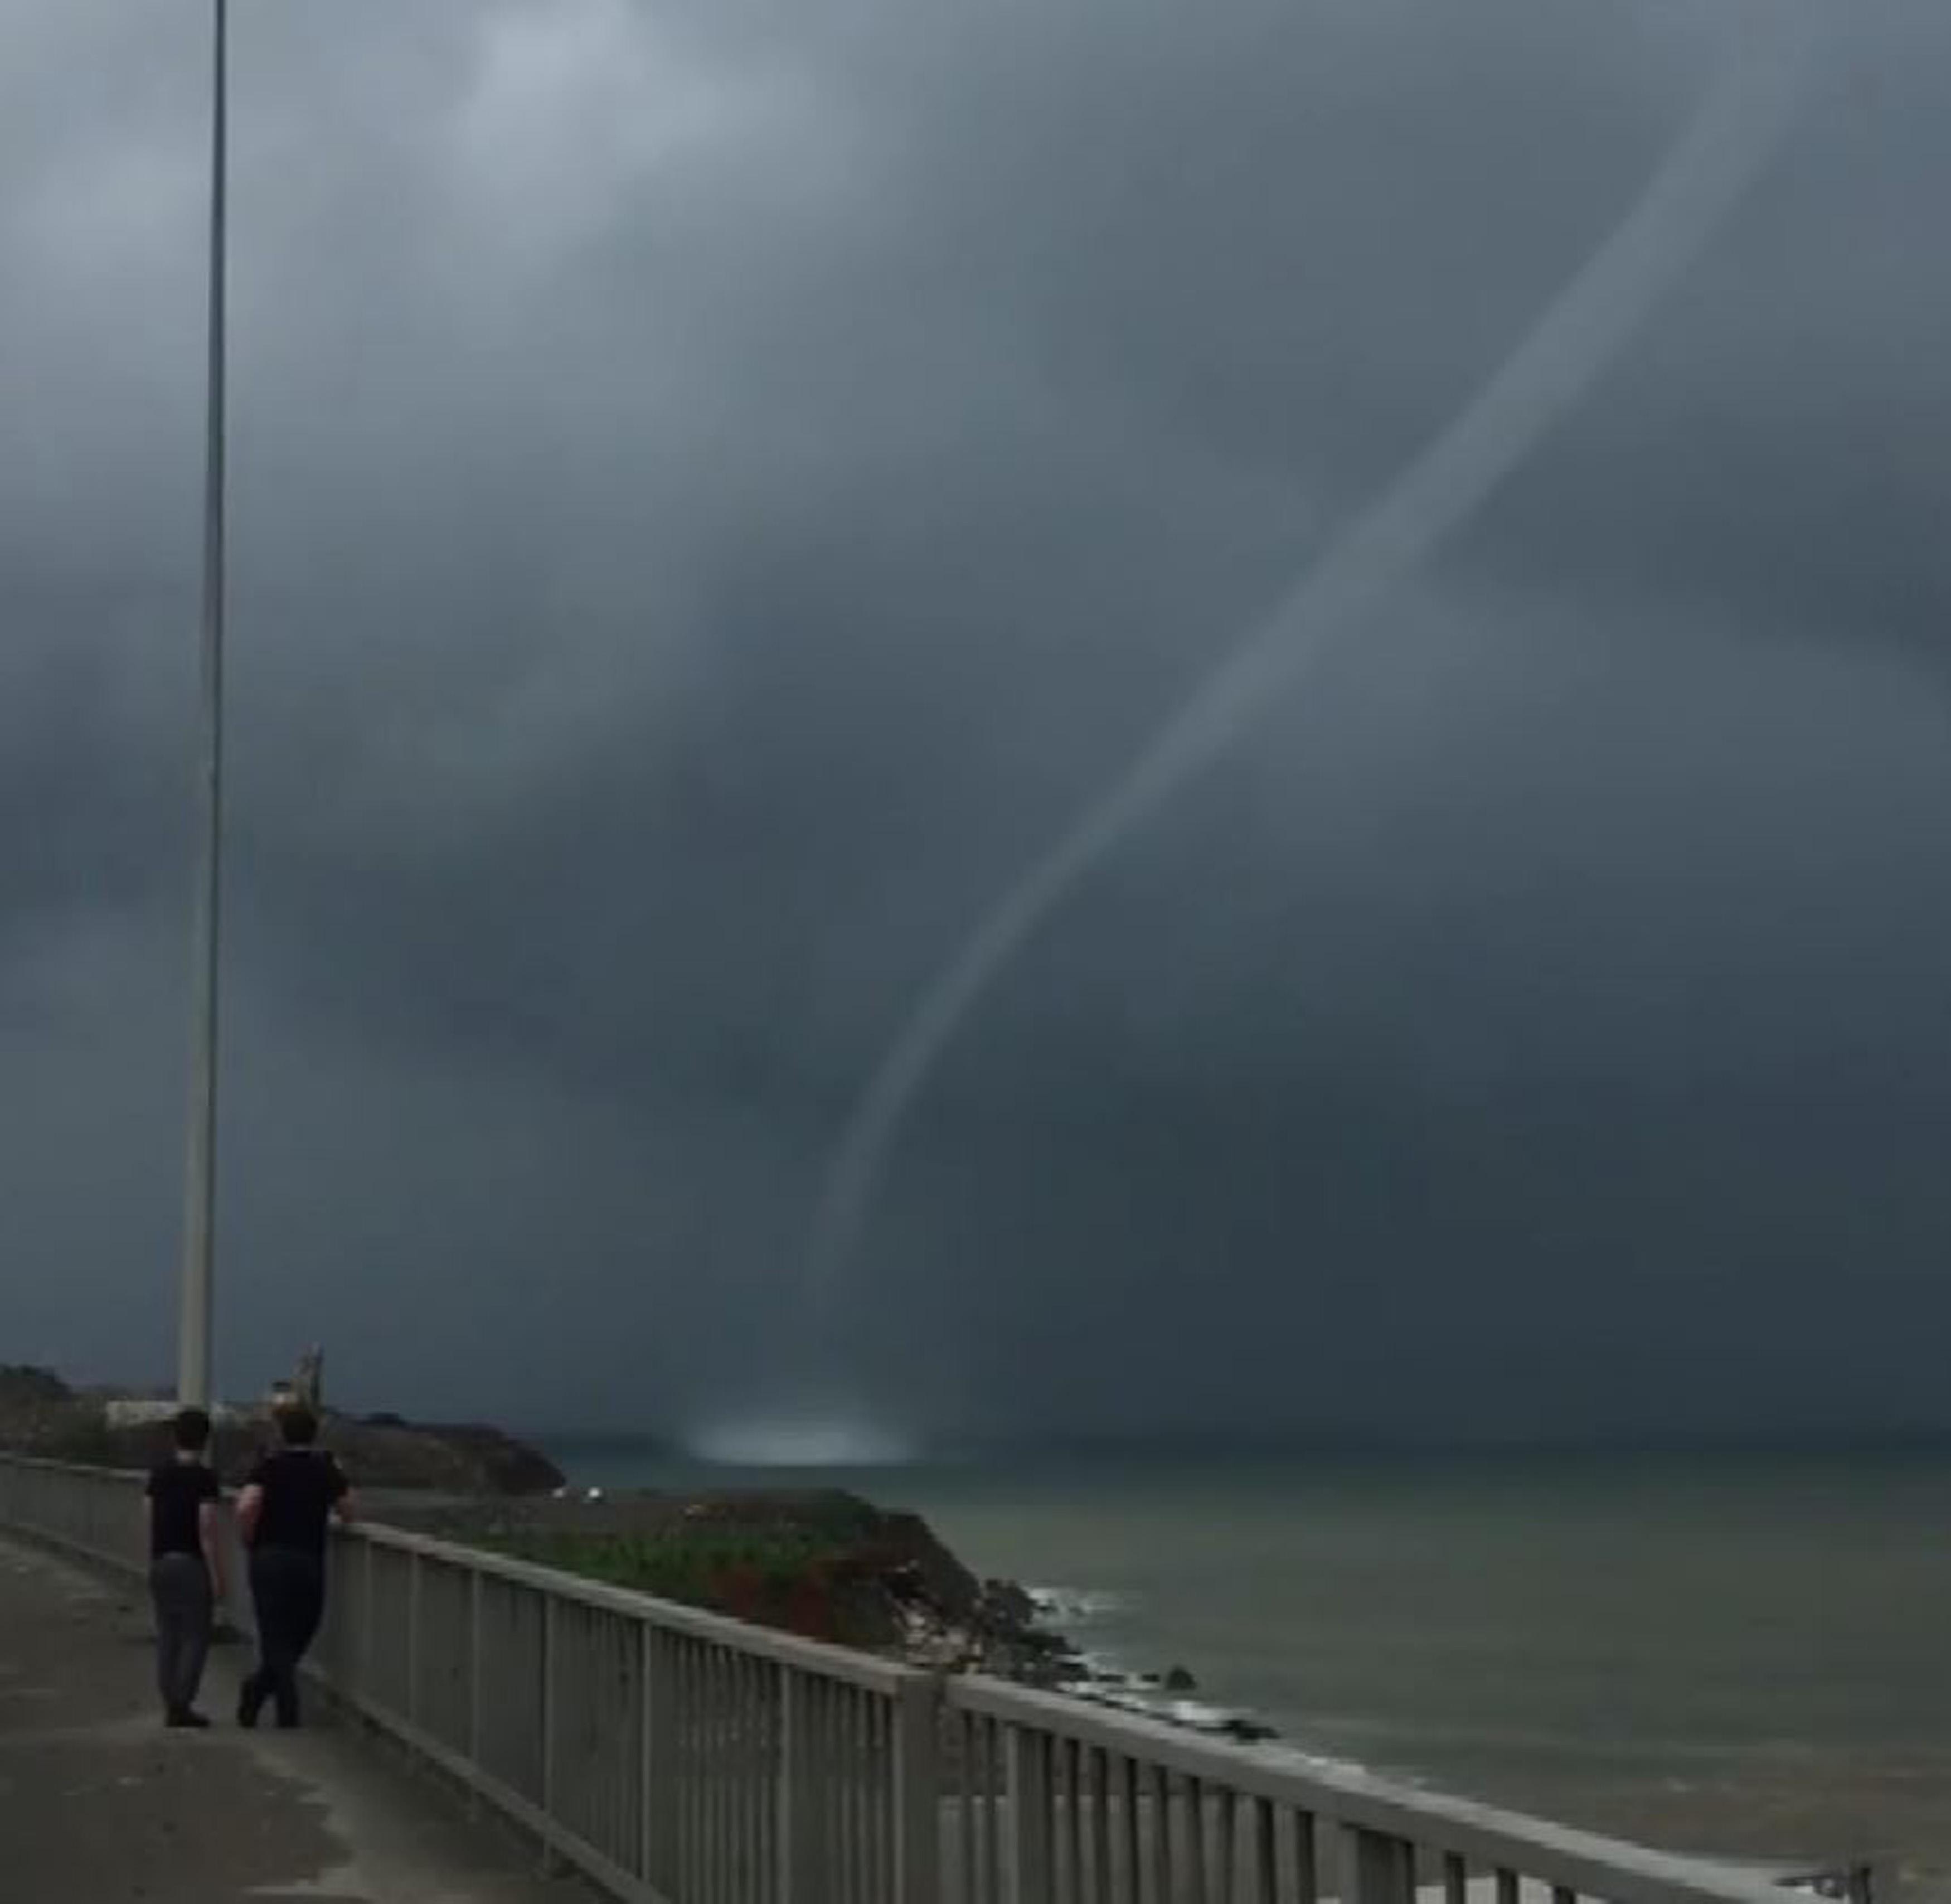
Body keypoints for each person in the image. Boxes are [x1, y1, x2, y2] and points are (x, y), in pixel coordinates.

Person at [234, 1403, 356, 1729]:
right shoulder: (324, 1469)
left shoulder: (268, 1467)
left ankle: (258, 1689)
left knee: (274, 1631)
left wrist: (250, 1539)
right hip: (307, 1560)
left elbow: (246, 1507)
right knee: (305, 1627)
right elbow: (349, 1511)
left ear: (282, 1434)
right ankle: (286, 1706)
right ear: (314, 1435)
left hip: (269, 1556)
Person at [144, 1406, 227, 1729]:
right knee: (195, 1635)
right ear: (205, 1441)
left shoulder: (159, 1474)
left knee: (168, 1634)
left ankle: (170, 1700)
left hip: (162, 1560)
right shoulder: (204, 1479)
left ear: (174, 1437)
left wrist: (151, 1558)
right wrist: (218, 1576)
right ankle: (183, 1703)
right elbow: (206, 1529)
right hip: (191, 1563)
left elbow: (149, 1516)